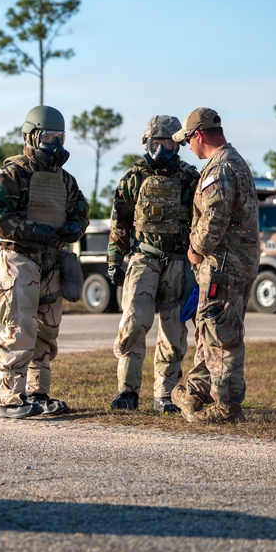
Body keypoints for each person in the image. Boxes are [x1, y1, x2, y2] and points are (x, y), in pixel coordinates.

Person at [0, 105, 90, 418]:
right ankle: (7, 397)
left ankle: (37, 393)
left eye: (60, 137)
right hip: (21, 257)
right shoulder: (13, 174)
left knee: (47, 329)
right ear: (32, 136)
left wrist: (73, 228)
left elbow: (80, 210)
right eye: (49, 137)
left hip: (53, 260)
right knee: (19, 326)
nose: (56, 144)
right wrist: (33, 230)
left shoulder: (65, 180)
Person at [169, 108, 259, 423]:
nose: (187, 149)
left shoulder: (219, 169)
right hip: (236, 264)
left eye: (187, 141)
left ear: (199, 135)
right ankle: (194, 392)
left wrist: (195, 249)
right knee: (212, 331)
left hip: (223, 266)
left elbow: (215, 216)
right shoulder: (235, 161)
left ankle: (227, 408)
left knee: (222, 335)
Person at [107, 116, 200, 413]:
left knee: (174, 332)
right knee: (134, 324)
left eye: (168, 144)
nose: (162, 151)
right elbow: (119, 222)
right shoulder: (133, 177)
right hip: (143, 260)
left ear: (179, 144)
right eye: (155, 144)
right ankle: (128, 391)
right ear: (146, 143)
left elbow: (201, 221)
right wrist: (114, 260)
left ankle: (166, 394)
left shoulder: (189, 178)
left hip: (178, 263)